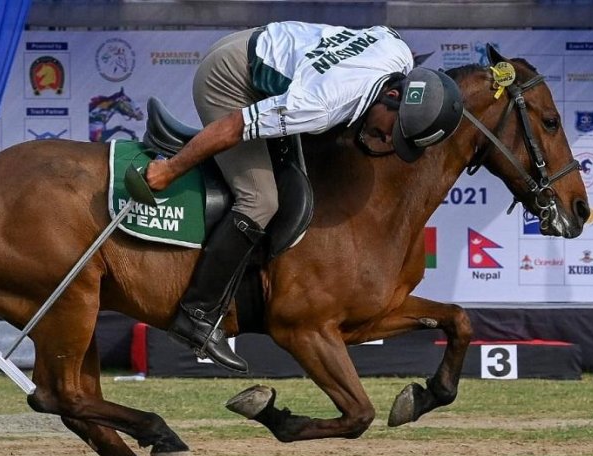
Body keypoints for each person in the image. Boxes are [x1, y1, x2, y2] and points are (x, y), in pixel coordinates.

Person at [145, 21, 464, 372]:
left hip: (262, 45)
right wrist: (170, 170)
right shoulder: (318, 105)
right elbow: (234, 127)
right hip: (229, 76)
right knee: (260, 200)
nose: (389, 142)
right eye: (394, 133)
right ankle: (197, 314)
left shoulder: (398, 52)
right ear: (391, 96)